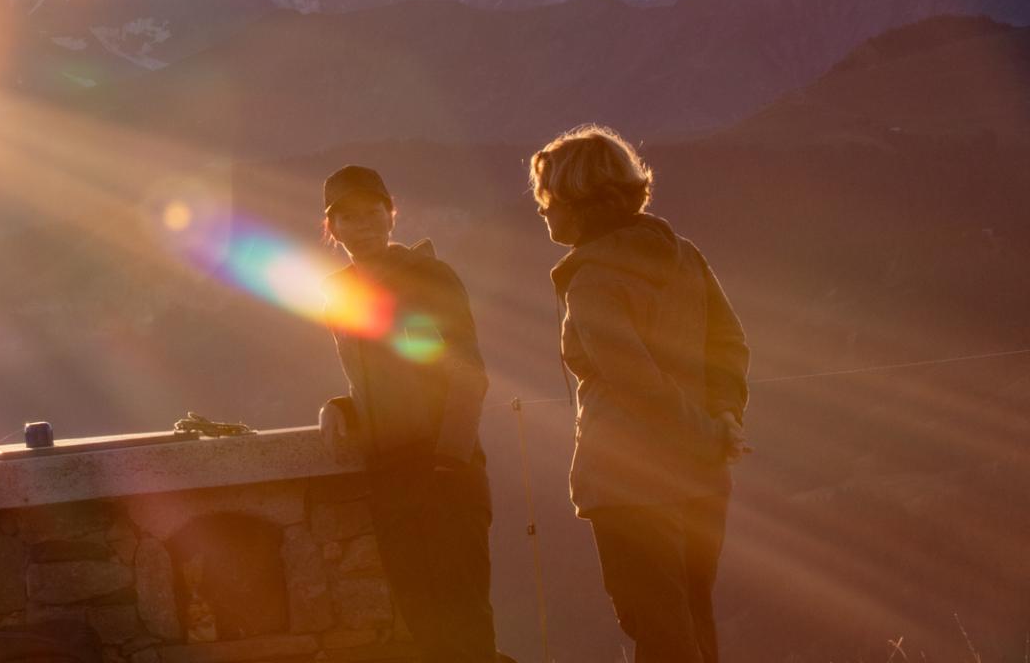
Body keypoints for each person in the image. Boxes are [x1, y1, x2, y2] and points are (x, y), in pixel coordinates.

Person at [528, 125, 750, 663]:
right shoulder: (683, 256)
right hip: (702, 478)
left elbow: (634, 382)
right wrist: (722, 420)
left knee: (656, 627)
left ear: (582, 202)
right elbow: (729, 344)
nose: (544, 210)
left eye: (550, 198)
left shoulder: (593, 280)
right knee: (692, 621)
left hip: (629, 481)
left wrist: (702, 433)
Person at [320, 165, 501, 663]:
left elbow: (467, 372)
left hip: (445, 471)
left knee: (464, 621)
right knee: (422, 622)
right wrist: (342, 405)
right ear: (332, 228)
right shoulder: (339, 293)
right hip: (390, 476)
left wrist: (449, 461)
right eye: (349, 217)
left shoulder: (428, 277)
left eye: (373, 212)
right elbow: (377, 379)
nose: (364, 224)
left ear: (391, 213)